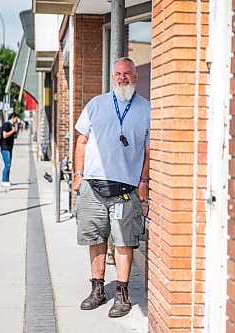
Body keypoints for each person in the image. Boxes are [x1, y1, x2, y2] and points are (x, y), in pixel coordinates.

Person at [73, 57, 150, 318]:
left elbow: (149, 152)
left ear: (135, 77)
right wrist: (77, 175)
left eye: (127, 73)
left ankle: (122, 293)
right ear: (112, 76)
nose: (122, 78)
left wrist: (144, 182)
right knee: (94, 239)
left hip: (126, 190)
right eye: (118, 73)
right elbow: (81, 142)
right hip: (92, 188)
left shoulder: (146, 109)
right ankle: (97, 290)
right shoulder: (97, 104)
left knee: (123, 242)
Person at [0, 113, 19, 187]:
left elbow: (14, 136)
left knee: (9, 165)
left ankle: (7, 180)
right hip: (5, 147)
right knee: (7, 164)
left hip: (9, 148)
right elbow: (4, 135)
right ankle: (4, 180)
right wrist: (12, 131)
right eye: (16, 118)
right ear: (13, 117)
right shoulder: (6, 125)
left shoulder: (12, 125)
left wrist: (16, 130)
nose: (17, 120)